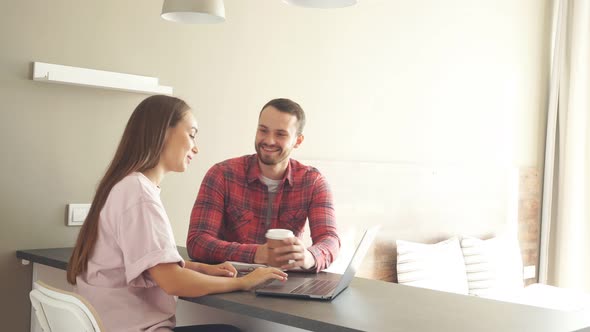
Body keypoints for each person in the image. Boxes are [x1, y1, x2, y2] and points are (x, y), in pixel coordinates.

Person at [66, 95, 287, 332]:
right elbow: (172, 281)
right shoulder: (139, 193)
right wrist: (244, 282)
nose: (196, 146)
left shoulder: (125, 187)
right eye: (191, 134)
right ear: (163, 132)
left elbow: (150, 263)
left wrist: (200, 268)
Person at [187, 98, 340, 273]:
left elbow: (330, 239)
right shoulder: (222, 174)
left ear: (298, 141)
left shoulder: (313, 182)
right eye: (263, 130)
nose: (269, 140)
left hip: (284, 285)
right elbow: (197, 241)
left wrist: (309, 256)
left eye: (280, 134)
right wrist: (257, 253)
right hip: (229, 283)